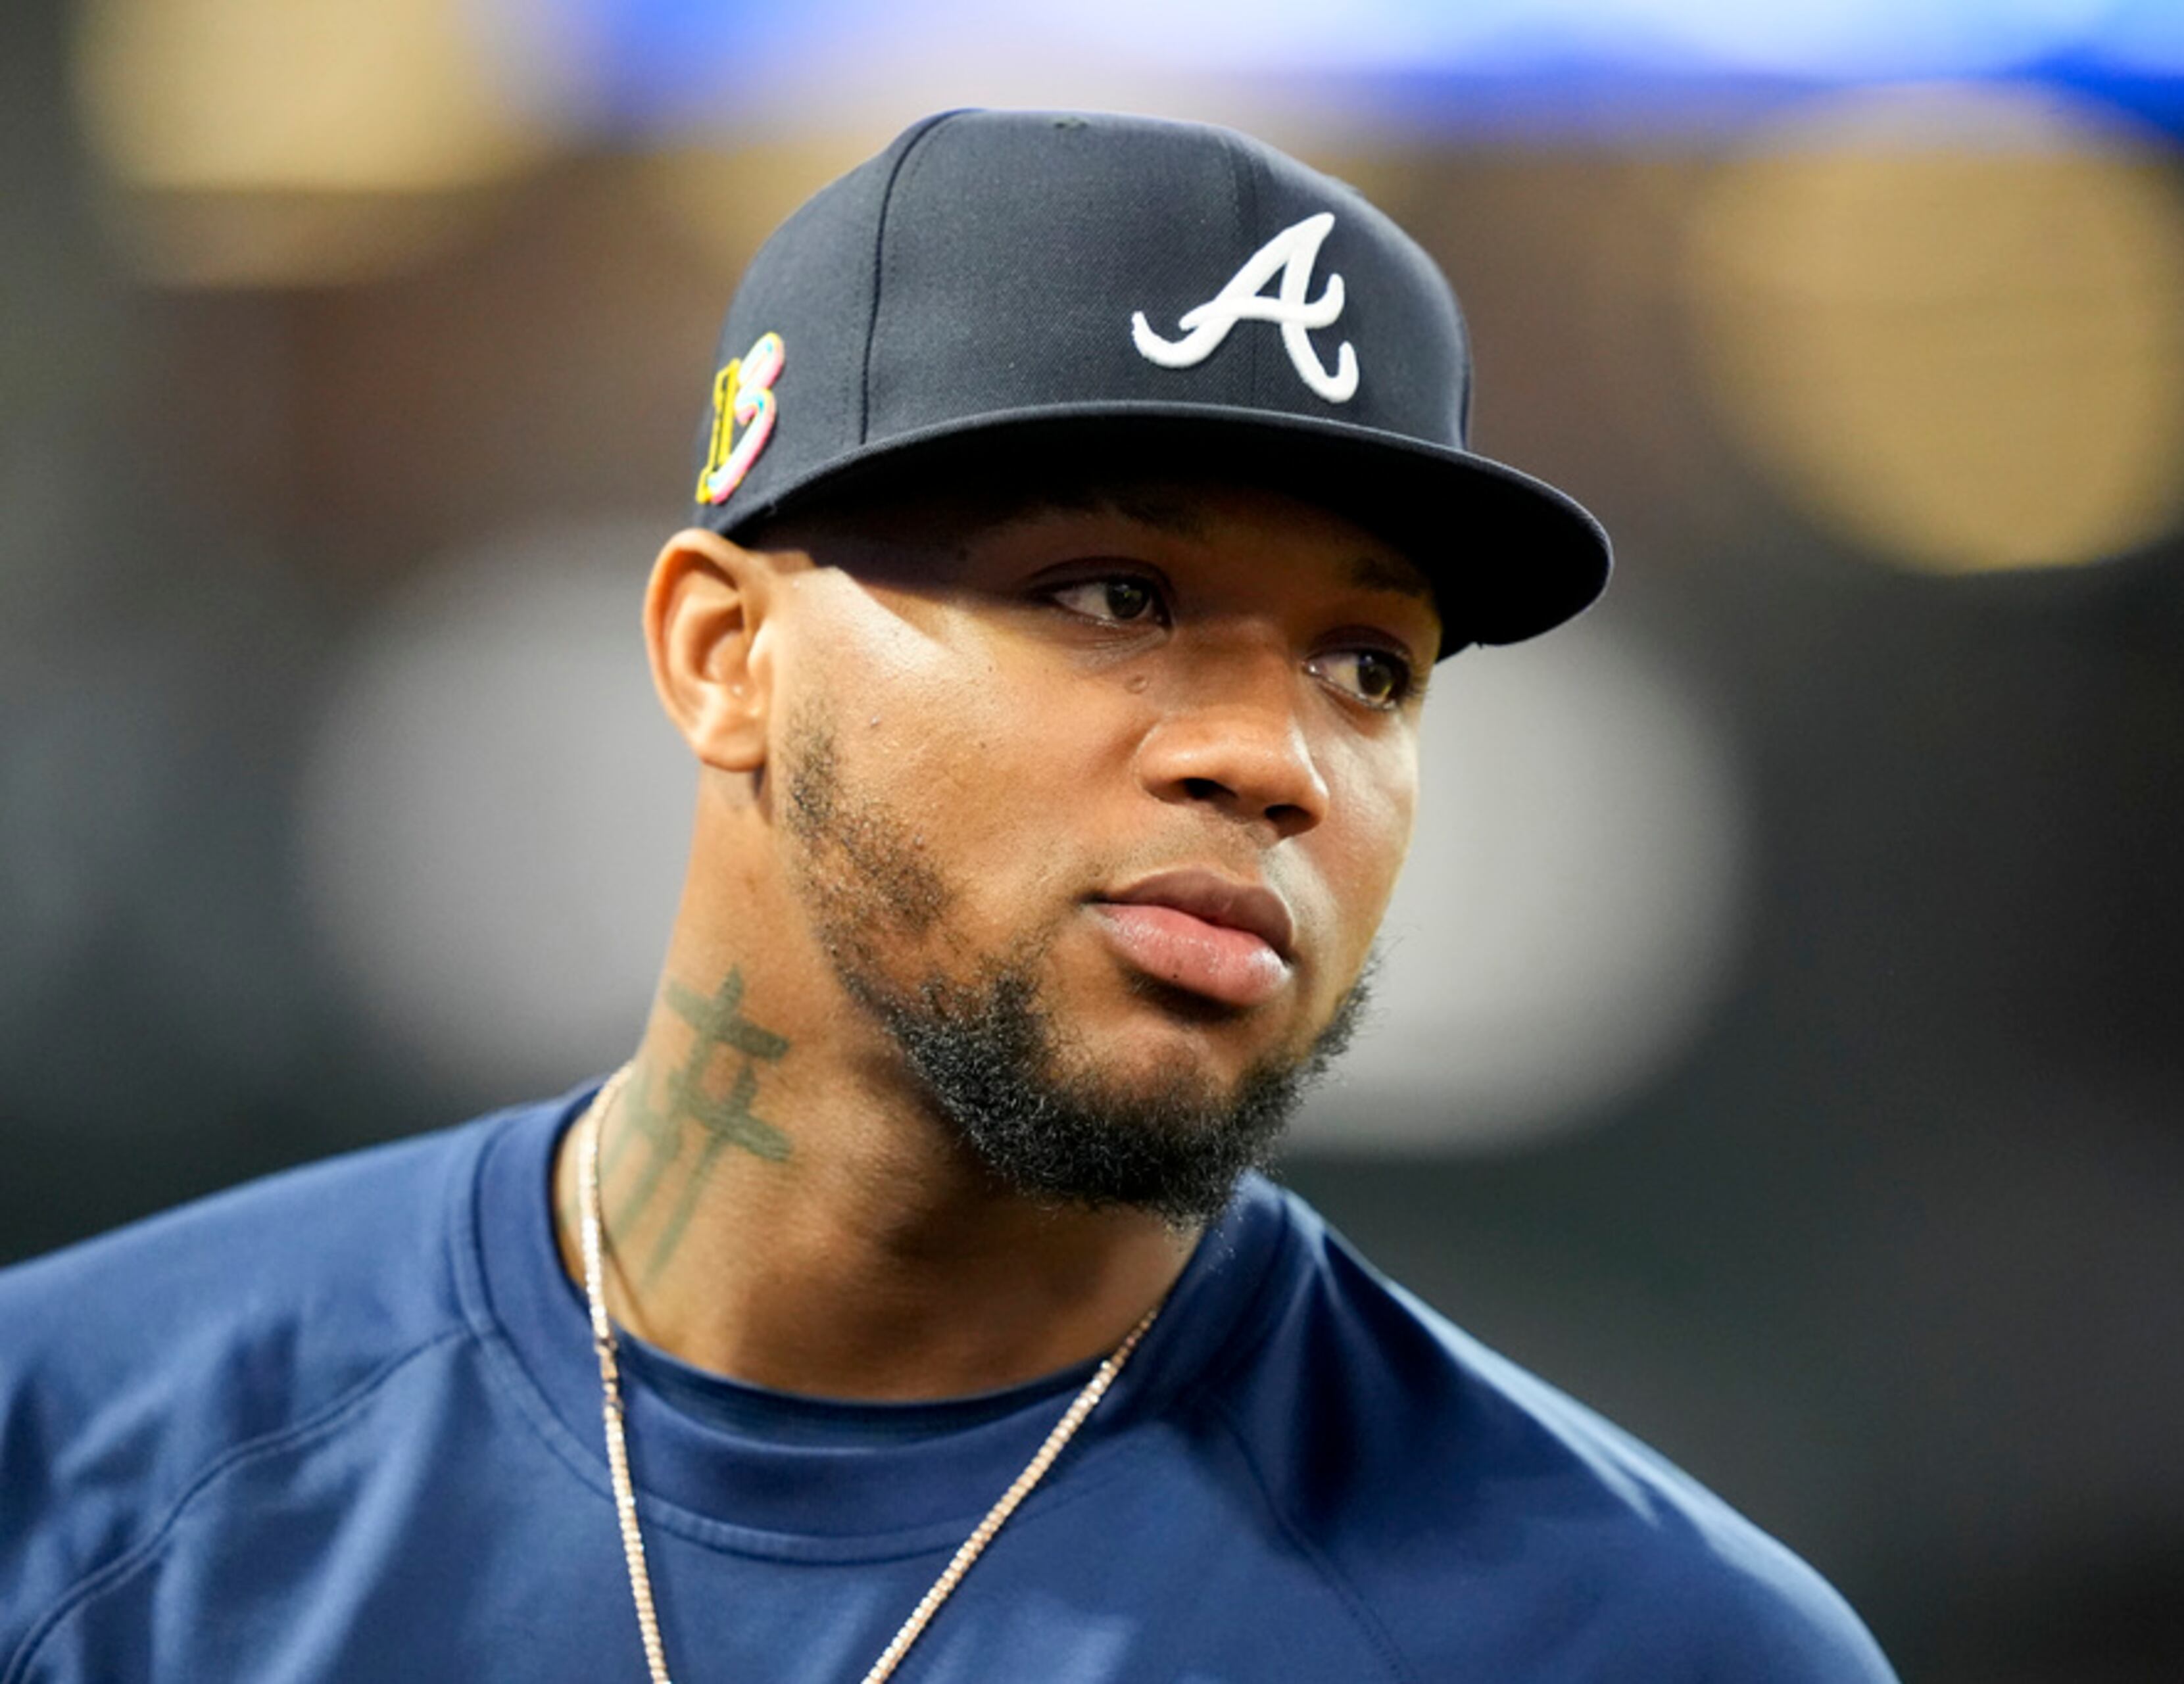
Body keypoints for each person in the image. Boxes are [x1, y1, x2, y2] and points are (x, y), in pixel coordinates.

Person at [0, 110, 1898, 1683]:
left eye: (1369, 662)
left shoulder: (1641, 1644)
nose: (1273, 758)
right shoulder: (75, 1463)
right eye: (1110, 594)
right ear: (723, 654)